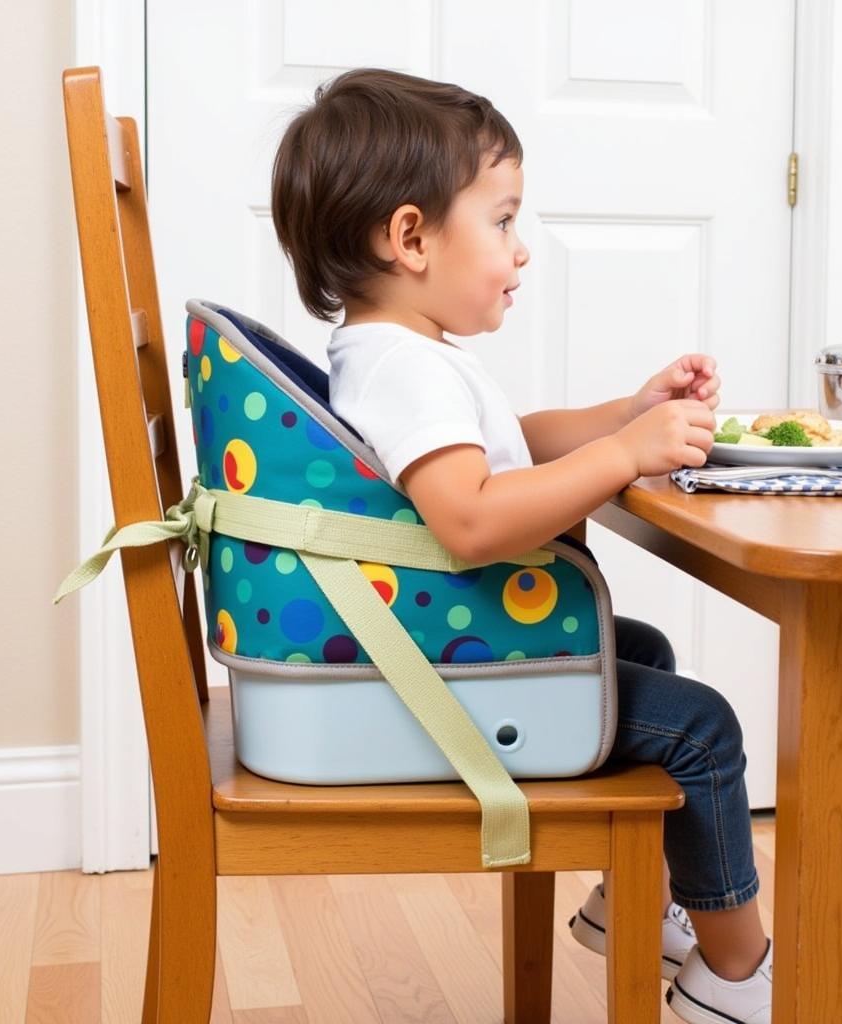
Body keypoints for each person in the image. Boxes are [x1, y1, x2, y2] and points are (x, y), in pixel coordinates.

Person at [271, 67, 772, 1024]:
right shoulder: (406, 371)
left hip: (444, 653)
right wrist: (626, 453)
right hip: (445, 683)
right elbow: (470, 520)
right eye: (502, 221)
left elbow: (513, 447)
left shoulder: (399, 356)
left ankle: (635, 901)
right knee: (700, 729)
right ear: (411, 237)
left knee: (643, 657)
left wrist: (626, 415)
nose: (522, 250)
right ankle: (737, 979)